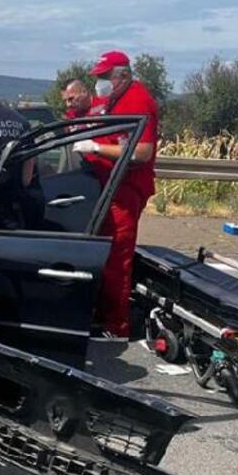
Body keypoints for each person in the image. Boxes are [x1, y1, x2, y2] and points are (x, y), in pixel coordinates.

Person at [72, 51, 159, 340]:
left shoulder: (138, 101)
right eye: (97, 77)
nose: (100, 83)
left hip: (124, 189)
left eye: (104, 77)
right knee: (104, 253)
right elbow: (93, 110)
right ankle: (101, 314)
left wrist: (96, 148)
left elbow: (142, 153)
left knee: (116, 257)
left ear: (122, 75)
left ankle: (115, 325)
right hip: (107, 186)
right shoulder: (113, 99)